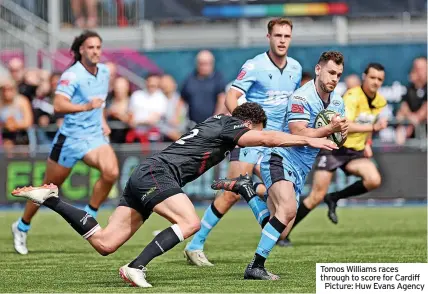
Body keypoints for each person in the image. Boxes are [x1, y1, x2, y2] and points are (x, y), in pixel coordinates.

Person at [11, 102, 337, 288]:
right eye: (255, 129)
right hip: (158, 173)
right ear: (249, 123)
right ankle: (137, 266)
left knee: (105, 243)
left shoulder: (217, 125)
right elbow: (266, 140)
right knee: (190, 222)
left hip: (147, 174)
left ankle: (51, 199)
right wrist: (308, 140)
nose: (251, 137)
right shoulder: (229, 125)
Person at [212, 51, 348, 279]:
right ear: (318, 69)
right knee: (287, 210)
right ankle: (255, 266)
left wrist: (342, 133)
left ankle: (248, 189)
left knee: (281, 231)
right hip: (280, 158)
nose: (334, 78)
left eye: (339, 75)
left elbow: (337, 140)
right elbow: (299, 132)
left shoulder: (337, 102)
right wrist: (329, 129)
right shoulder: (301, 98)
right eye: (331, 72)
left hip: (301, 169)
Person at [184, 17, 302, 266]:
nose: (282, 40)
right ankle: (195, 244)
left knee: (283, 219)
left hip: (276, 143)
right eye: (277, 35)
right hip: (253, 140)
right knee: (230, 196)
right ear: (268, 37)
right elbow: (231, 96)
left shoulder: (296, 69)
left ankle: (248, 192)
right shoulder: (255, 65)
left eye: (286, 36)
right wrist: (242, 129)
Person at [11, 30, 119, 255]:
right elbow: (59, 106)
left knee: (111, 173)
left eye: (98, 47)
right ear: (81, 50)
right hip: (70, 140)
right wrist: (85, 107)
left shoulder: (105, 72)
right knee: (46, 190)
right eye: (91, 47)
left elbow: (99, 102)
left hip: (94, 137)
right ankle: (21, 226)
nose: (95, 51)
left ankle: (89, 216)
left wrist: (102, 120)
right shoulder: (72, 75)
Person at [278, 63, 389, 247]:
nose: (375, 82)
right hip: (334, 148)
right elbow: (347, 125)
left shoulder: (380, 101)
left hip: (355, 152)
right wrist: (372, 128)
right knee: (315, 196)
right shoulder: (352, 97)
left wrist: (368, 142)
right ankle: (284, 234)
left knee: (374, 179)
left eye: (379, 79)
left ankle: (335, 197)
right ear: (364, 77)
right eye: (372, 78)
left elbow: (369, 120)